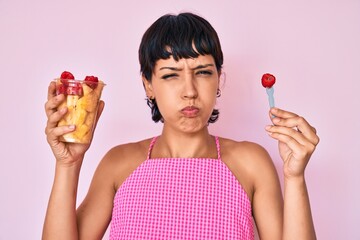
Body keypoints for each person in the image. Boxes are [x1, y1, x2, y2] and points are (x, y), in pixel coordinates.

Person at [43, 12, 319, 240]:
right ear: (148, 84)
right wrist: (68, 165)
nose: (190, 91)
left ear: (218, 78)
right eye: (171, 75)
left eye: (203, 72)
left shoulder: (251, 162)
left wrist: (295, 178)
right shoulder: (118, 163)